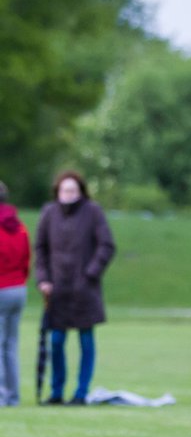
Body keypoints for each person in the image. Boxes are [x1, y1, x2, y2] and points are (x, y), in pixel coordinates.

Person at [35, 171, 115, 405]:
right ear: (57, 191)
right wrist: (43, 279)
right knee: (56, 340)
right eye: (64, 190)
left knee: (86, 340)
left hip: (84, 290)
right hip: (57, 291)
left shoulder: (93, 212)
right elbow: (40, 248)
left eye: (72, 190)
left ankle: (81, 392)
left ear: (80, 191)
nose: (68, 194)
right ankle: (56, 391)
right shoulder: (49, 213)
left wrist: (90, 274)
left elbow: (106, 245)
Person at [0, 180, 30, 407]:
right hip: (18, 288)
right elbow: (27, 258)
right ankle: (14, 396)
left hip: (1, 288)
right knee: (10, 345)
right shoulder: (19, 226)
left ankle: (1, 395)